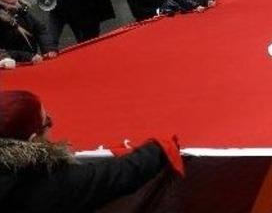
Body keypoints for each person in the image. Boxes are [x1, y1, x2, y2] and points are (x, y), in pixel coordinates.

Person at [0, 90, 183, 212]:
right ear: (33, 139)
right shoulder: (49, 182)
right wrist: (158, 148)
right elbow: (117, 174)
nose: (52, 123)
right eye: (47, 121)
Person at [0, 0, 56, 68]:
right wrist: (28, 57)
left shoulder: (20, 8)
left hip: (30, 64)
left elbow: (40, 29)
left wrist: (48, 48)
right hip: (9, 70)